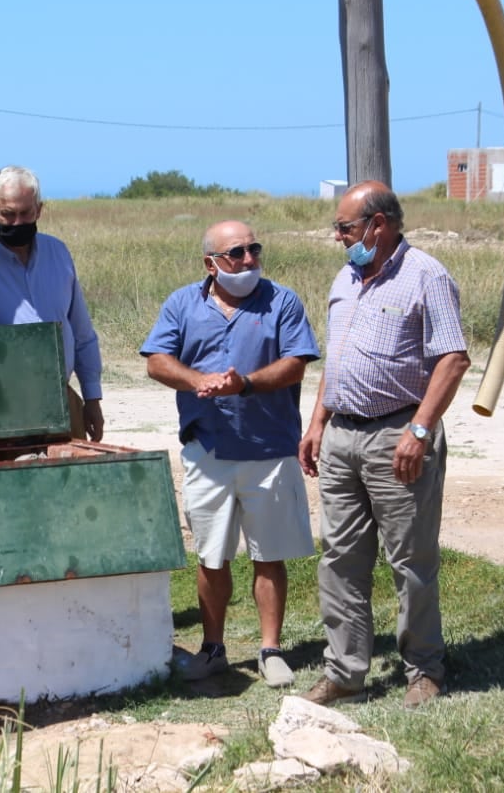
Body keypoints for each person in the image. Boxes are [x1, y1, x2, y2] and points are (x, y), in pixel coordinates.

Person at [297, 180, 471, 710]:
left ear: (379, 224)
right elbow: (338, 358)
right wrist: (317, 421)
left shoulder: (426, 275)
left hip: (398, 434)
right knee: (340, 558)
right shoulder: (346, 277)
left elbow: (453, 358)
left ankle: (424, 669)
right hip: (343, 434)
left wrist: (419, 430)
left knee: (410, 561)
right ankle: (345, 672)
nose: (338, 238)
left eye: (345, 227)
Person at [141, 220, 319, 688]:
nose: (247, 261)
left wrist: (248, 383)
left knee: (269, 554)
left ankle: (270, 649)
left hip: (269, 449)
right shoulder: (182, 303)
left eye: (253, 250)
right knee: (211, 556)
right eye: (235, 253)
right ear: (210, 264)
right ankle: (213, 648)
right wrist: (197, 380)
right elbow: (157, 360)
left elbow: (297, 362)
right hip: (208, 450)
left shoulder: (282, 301)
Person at [0, 165, 104, 441]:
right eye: (8, 214)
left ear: (39, 210)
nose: (18, 222)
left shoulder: (59, 254)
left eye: (26, 213)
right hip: (2, 409)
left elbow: (82, 334)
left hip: (61, 398)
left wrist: (92, 398)